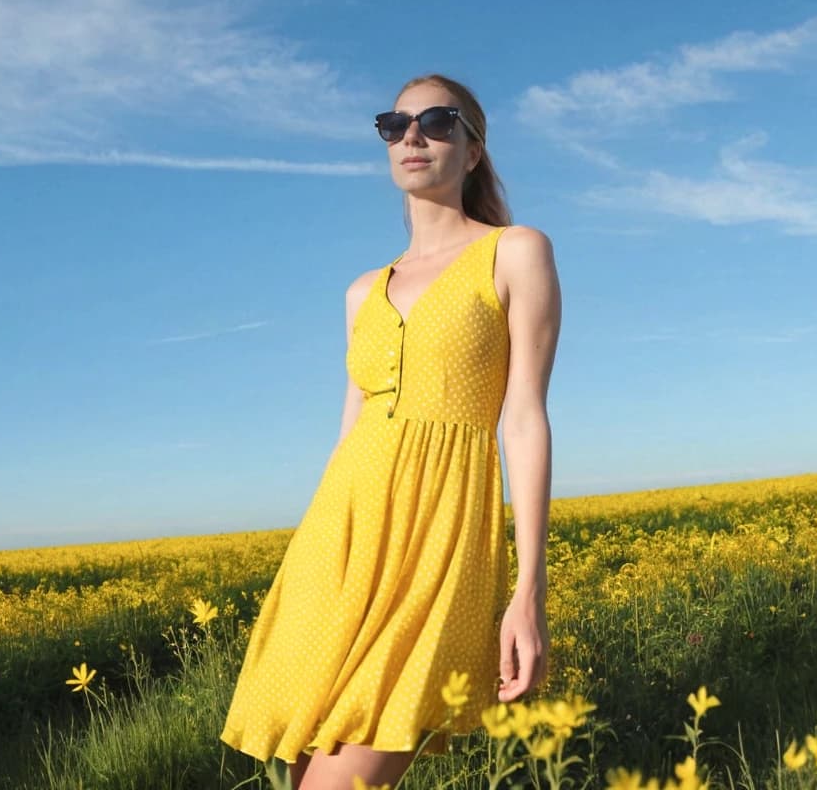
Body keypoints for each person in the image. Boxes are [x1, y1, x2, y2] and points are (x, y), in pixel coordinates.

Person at [220, 73, 561, 790]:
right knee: (304, 772)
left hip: (439, 536)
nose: (413, 136)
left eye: (439, 122)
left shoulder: (515, 252)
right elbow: (348, 434)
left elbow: (524, 418)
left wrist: (528, 589)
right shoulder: (359, 291)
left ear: (472, 152)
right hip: (341, 543)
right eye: (395, 124)